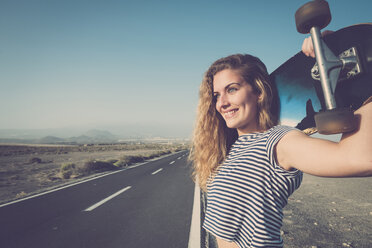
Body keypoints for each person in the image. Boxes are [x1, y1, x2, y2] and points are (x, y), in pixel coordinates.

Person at [188, 36, 372, 248]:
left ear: (258, 92)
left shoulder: (277, 142)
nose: (222, 103)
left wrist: (362, 84)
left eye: (232, 89)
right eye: (216, 95)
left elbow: (361, 158)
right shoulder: (232, 148)